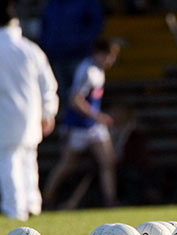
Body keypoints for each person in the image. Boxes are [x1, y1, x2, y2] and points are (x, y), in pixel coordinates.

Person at [0, 0, 59, 221]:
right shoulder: (31, 49)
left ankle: (15, 210)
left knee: (6, 163)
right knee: (27, 160)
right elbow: (48, 84)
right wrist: (48, 111)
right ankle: (32, 204)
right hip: (30, 117)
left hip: (0, 118)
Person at [44, 39, 120, 209]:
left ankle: (110, 200)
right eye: (110, 56)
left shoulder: (99, 71)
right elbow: (74, 100)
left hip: (93, 127)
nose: (111, 61)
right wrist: (98, 115)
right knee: (68, 165)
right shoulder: (87, 70)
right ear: (99, 54)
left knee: (108, 161)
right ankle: (47, 196)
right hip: (78, 126)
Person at [40, 0, 104, 99]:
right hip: (56, 58)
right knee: (58, 95)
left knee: (80, 96)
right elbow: (45, 26)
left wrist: (79, 43)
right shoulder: (52, 4)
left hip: (79, 58)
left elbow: (95, 25)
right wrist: (48, 45)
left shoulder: (87, 3)